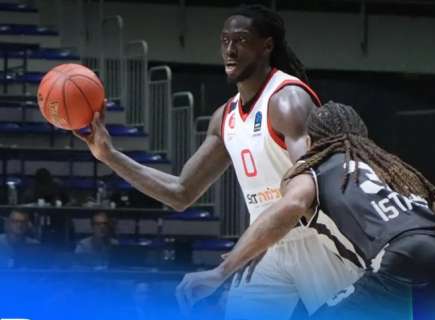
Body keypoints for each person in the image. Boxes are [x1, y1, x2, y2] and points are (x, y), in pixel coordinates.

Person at [74, 5, 361, 320]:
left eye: (240, 40)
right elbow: (180, 192)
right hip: (269, 246)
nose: (230, 49)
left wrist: (229, 264)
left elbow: (311, 191)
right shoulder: (224, 118)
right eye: (225, 40)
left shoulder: (288, 101)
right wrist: (109, 155)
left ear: (267, 46)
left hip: (318, 238)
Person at [179, 102, 435, 320]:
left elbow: (287, 209)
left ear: (313, 140)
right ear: (362, 135)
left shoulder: (315, 169)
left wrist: (220, 272)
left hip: (401, 258)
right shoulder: (399, 171)